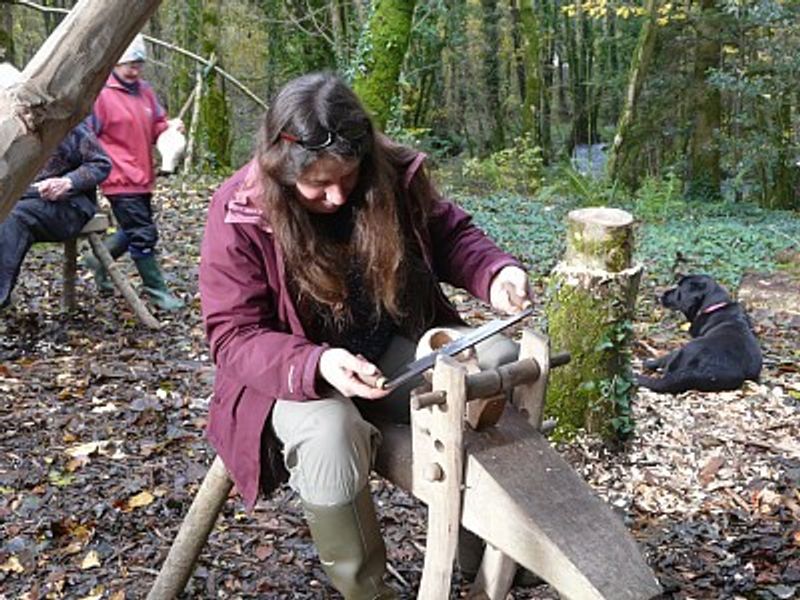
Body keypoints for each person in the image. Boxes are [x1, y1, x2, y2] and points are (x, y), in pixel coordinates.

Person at [198, 72, 531, 599]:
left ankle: (487, 548)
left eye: (346, 180)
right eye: (316, 185)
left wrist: (495, 273)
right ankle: (367, 591)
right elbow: (232, 335)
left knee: (493, 360)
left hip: (388, 347)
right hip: (293, 373)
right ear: (281, 171)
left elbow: (451, 235)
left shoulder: (390, 173)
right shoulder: (240, 210)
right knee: (331, 436)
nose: (335, 197)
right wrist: (319, 365)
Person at [84, 34, 184, 311]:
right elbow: (87, 137)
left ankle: (98, 260)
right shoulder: (101, 95)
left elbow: (155, 127)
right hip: (118, 176)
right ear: (115, 63)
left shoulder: (145, 91)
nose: (134, 69)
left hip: (143, 174)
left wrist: (170, 129)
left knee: (134, 229)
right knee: (143, 233)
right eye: (129, 64)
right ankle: (157, 292)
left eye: (139, 63)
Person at [0, 63, 111, 310]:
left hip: (68, 204)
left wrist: (68, 182)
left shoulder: (59, 123)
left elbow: (100, 164)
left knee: (12, 217)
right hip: (24, 199)